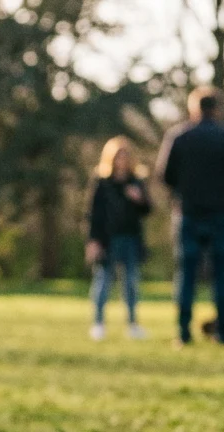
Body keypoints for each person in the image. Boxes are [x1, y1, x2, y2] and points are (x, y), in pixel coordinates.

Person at [156, 86, 224, 346]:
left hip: (189, 213)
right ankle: (222, 332)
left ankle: (183, 332)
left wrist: (182, 194)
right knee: (221, 274)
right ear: (217, 108)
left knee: (186, 274)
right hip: (222, 214)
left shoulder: (179, 136)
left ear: (193, 108)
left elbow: (164, 175)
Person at [86, 136, 152, 341]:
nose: (121, 161)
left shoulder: (136, 182)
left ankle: (132, 324)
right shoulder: (102, 183)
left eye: (125, 156)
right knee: (103, 282)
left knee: (131, 283)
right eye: (118, 156)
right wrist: (93, 240)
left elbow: (148, 209)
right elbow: (93, 214)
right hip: (108, 239)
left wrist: (138, 199)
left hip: (131, 238)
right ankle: (98, 323)